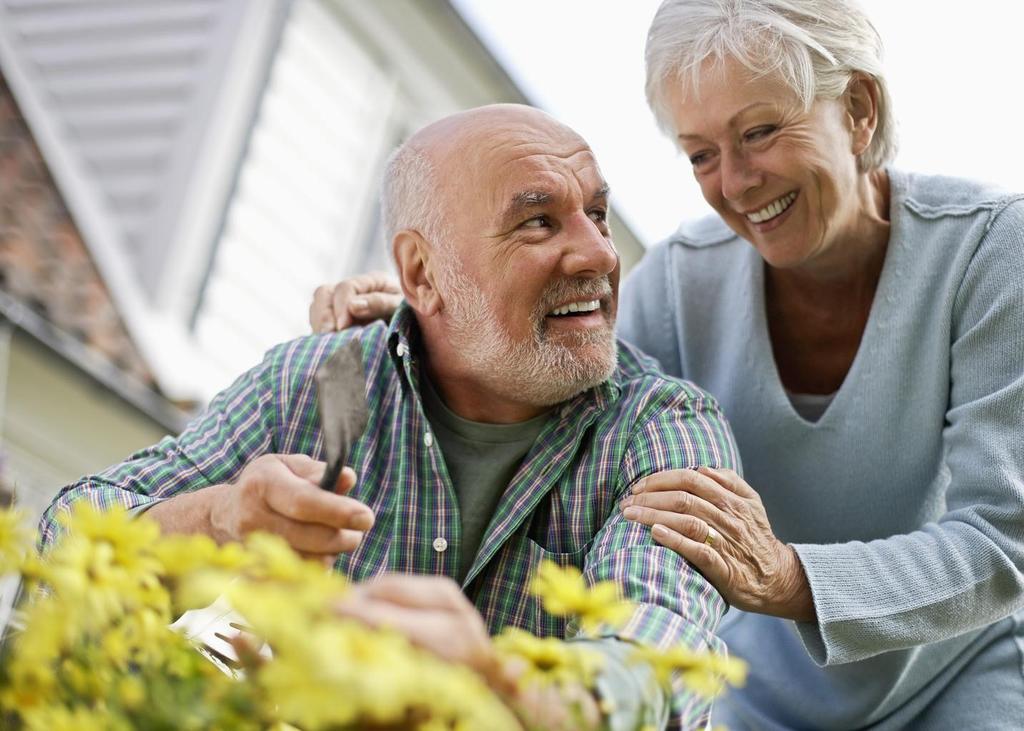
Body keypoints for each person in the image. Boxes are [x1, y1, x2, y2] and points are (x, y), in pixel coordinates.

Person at [308, 1, 1024, 728]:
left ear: (860, 108)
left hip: (955, 680)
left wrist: (788, 577)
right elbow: (558, 376)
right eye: (702, 154)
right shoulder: (682, 284)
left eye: (761, 131)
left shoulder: (992, 252)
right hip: (747, 693)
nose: (738, 182)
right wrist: (430, 312)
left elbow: (1003, 543)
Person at [41, 104, 741, 730]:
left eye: (598, 212)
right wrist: (221, 519)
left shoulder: (665, 427)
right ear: (423, 275)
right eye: (538, 221)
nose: (599, 252)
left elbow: (663, 657)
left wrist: (500, 692)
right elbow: (65, 540)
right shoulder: (318, 381)